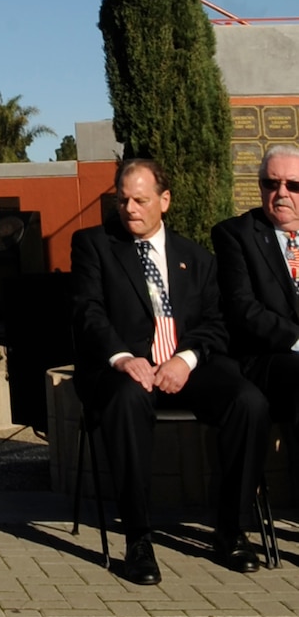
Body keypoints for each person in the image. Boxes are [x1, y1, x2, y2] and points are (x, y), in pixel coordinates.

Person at [70, 155, 270, 586]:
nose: (129, 209)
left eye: (140, 200)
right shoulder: (94, 245)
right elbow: (88, 312)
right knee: (127, 399)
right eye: (122, 200)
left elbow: (216, 323)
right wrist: (123, 357)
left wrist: (185, 359)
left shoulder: (195, 257)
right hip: (124, 369)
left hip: (184, 366)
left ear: (165, 200)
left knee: (248, 402)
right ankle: (138, 538)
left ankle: (232, 530)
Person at [213, 143, 299, 438]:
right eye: (271, 183)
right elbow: (243, 308)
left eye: (294, 185)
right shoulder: (235, 234)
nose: (282, 193)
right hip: (267, 357)